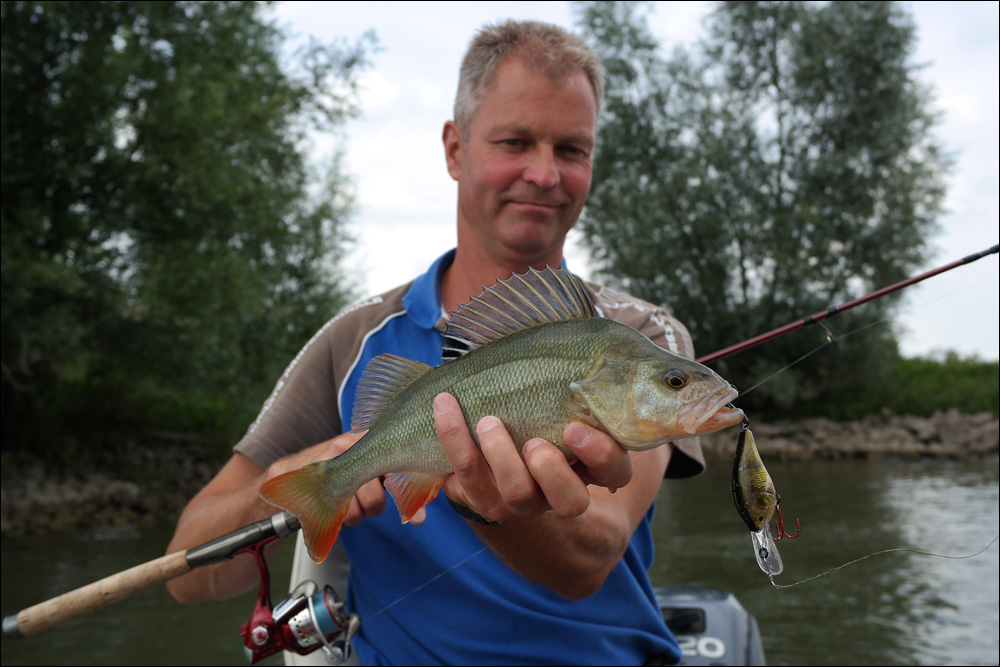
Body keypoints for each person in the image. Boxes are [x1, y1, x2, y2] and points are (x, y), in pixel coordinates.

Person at [166, 20, 706, 665]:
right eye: (515, 141)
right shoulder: (352, 342)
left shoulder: (641, 337)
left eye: (572, 149)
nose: (543, 173)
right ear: (454, 148)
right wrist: (299, 479)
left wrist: (495, 507)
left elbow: (591, 556)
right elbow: (185, 573)